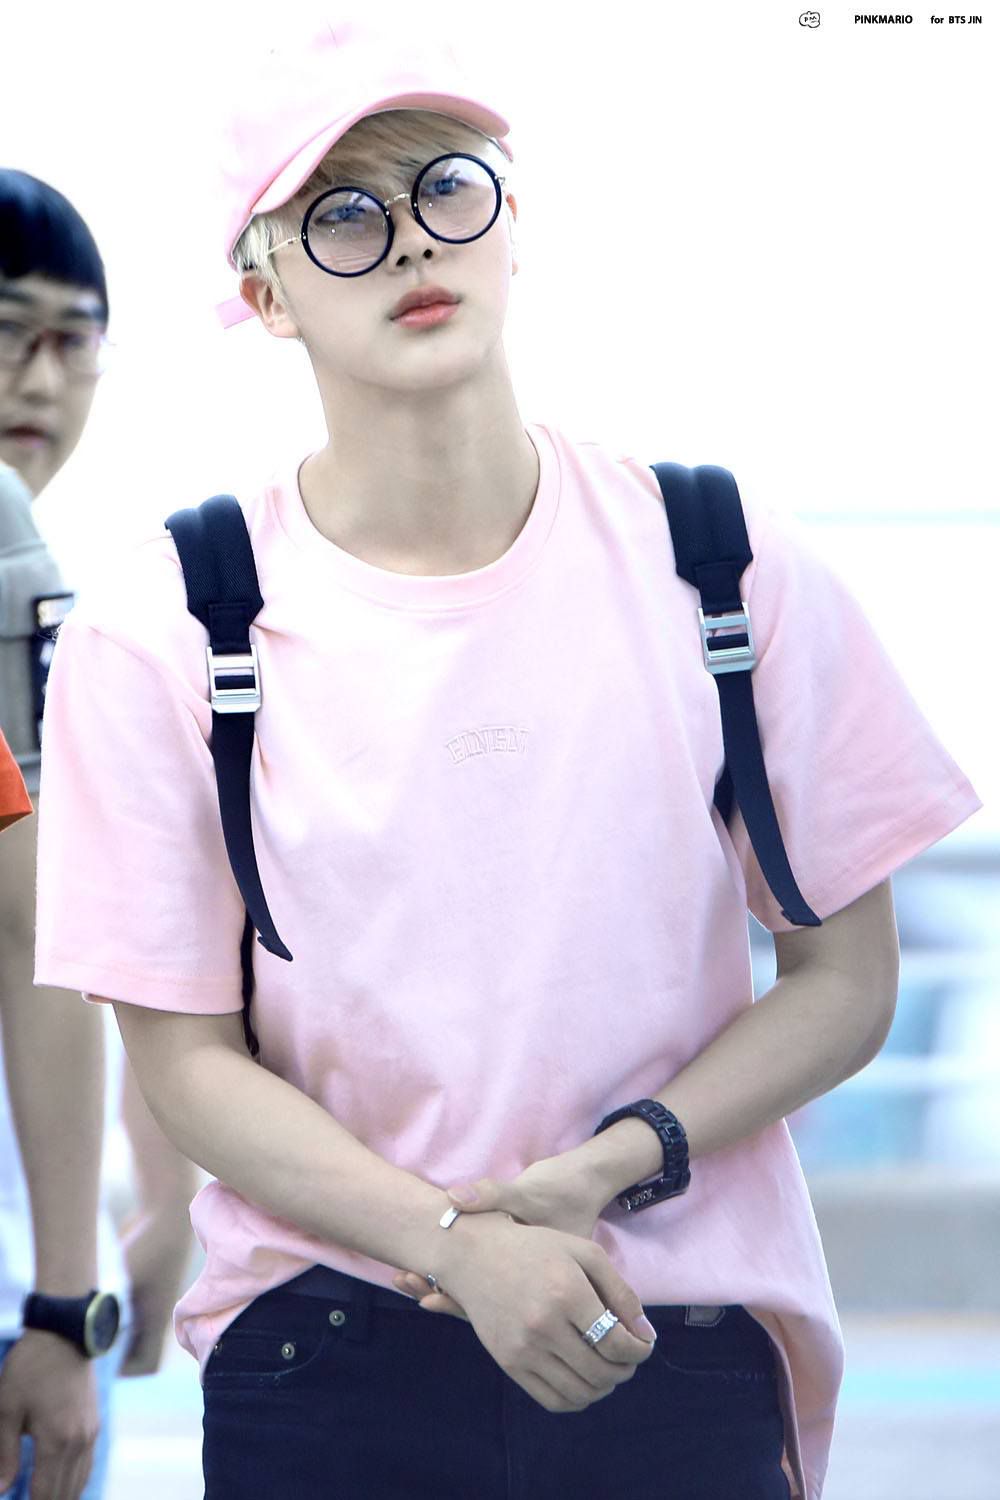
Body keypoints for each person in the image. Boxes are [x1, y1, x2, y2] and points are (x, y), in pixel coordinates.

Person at [32, 18, 982, 1500]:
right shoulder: (163, 626)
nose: (413, 238)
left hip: (675, 1327)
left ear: (514, 223)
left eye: (448, 185)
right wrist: (455, 1246)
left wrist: (613, 1163)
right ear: (263, 294)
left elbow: (848, 978)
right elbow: (187, 1064)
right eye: (343, 214)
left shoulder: (722, 565)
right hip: (325, 1342)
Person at [0, 170, 199, 1500]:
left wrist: (165, 1204)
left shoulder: (63, 596)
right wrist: (72, 1301)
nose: (40, 377)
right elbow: (42, 922)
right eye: (8, 330)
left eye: (74, 341)